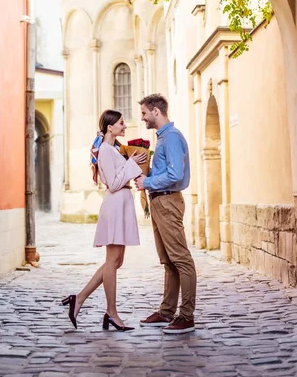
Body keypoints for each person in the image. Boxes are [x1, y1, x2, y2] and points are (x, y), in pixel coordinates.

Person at [62, 109, 147, 332]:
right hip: (115, 203)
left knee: (116, 262)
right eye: (121, 123)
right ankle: (111, 313)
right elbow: (113, 183)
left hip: (122, 204)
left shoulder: (113, 149)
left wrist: (131, 162)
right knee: (112, 261)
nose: (125, 126)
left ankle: (78, 299)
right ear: (110, 127)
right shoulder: (106, 151)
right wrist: (132, 163)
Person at [134, 93, 197, 334]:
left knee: (181, 259)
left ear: (156, 112)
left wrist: (147, 181)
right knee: (168, 260)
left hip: (168, 201)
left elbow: (175, 175)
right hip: (159, 202)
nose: (142, 118)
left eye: (144, 113)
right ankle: (167, 311)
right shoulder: (162, 138)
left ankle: (187, 316)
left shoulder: (171, 137)